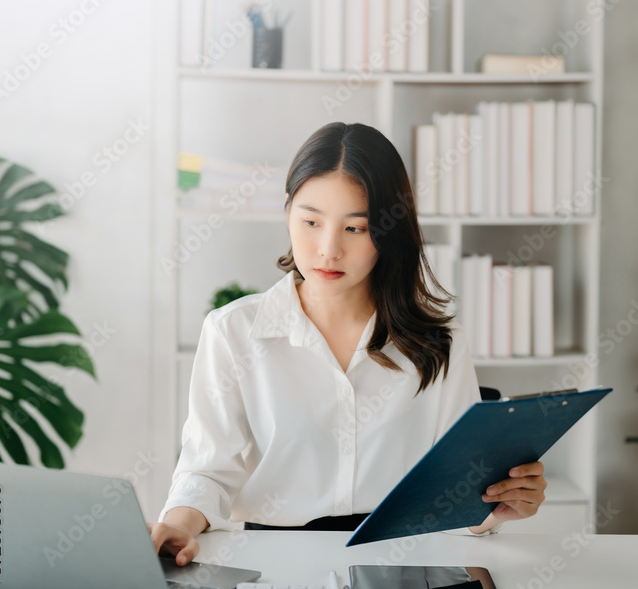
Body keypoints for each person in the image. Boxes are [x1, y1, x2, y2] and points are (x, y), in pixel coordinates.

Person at [148, 122, 546, 565]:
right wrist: (179, 525)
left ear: (389, 231)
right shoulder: (232, 332)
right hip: (272, 558)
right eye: (311, 222)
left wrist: (495, 507)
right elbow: (206, 470)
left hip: (401, 560)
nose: (328, 249)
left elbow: (456, 490)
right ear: (287, 211)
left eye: (356, 229)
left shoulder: (440, 343)